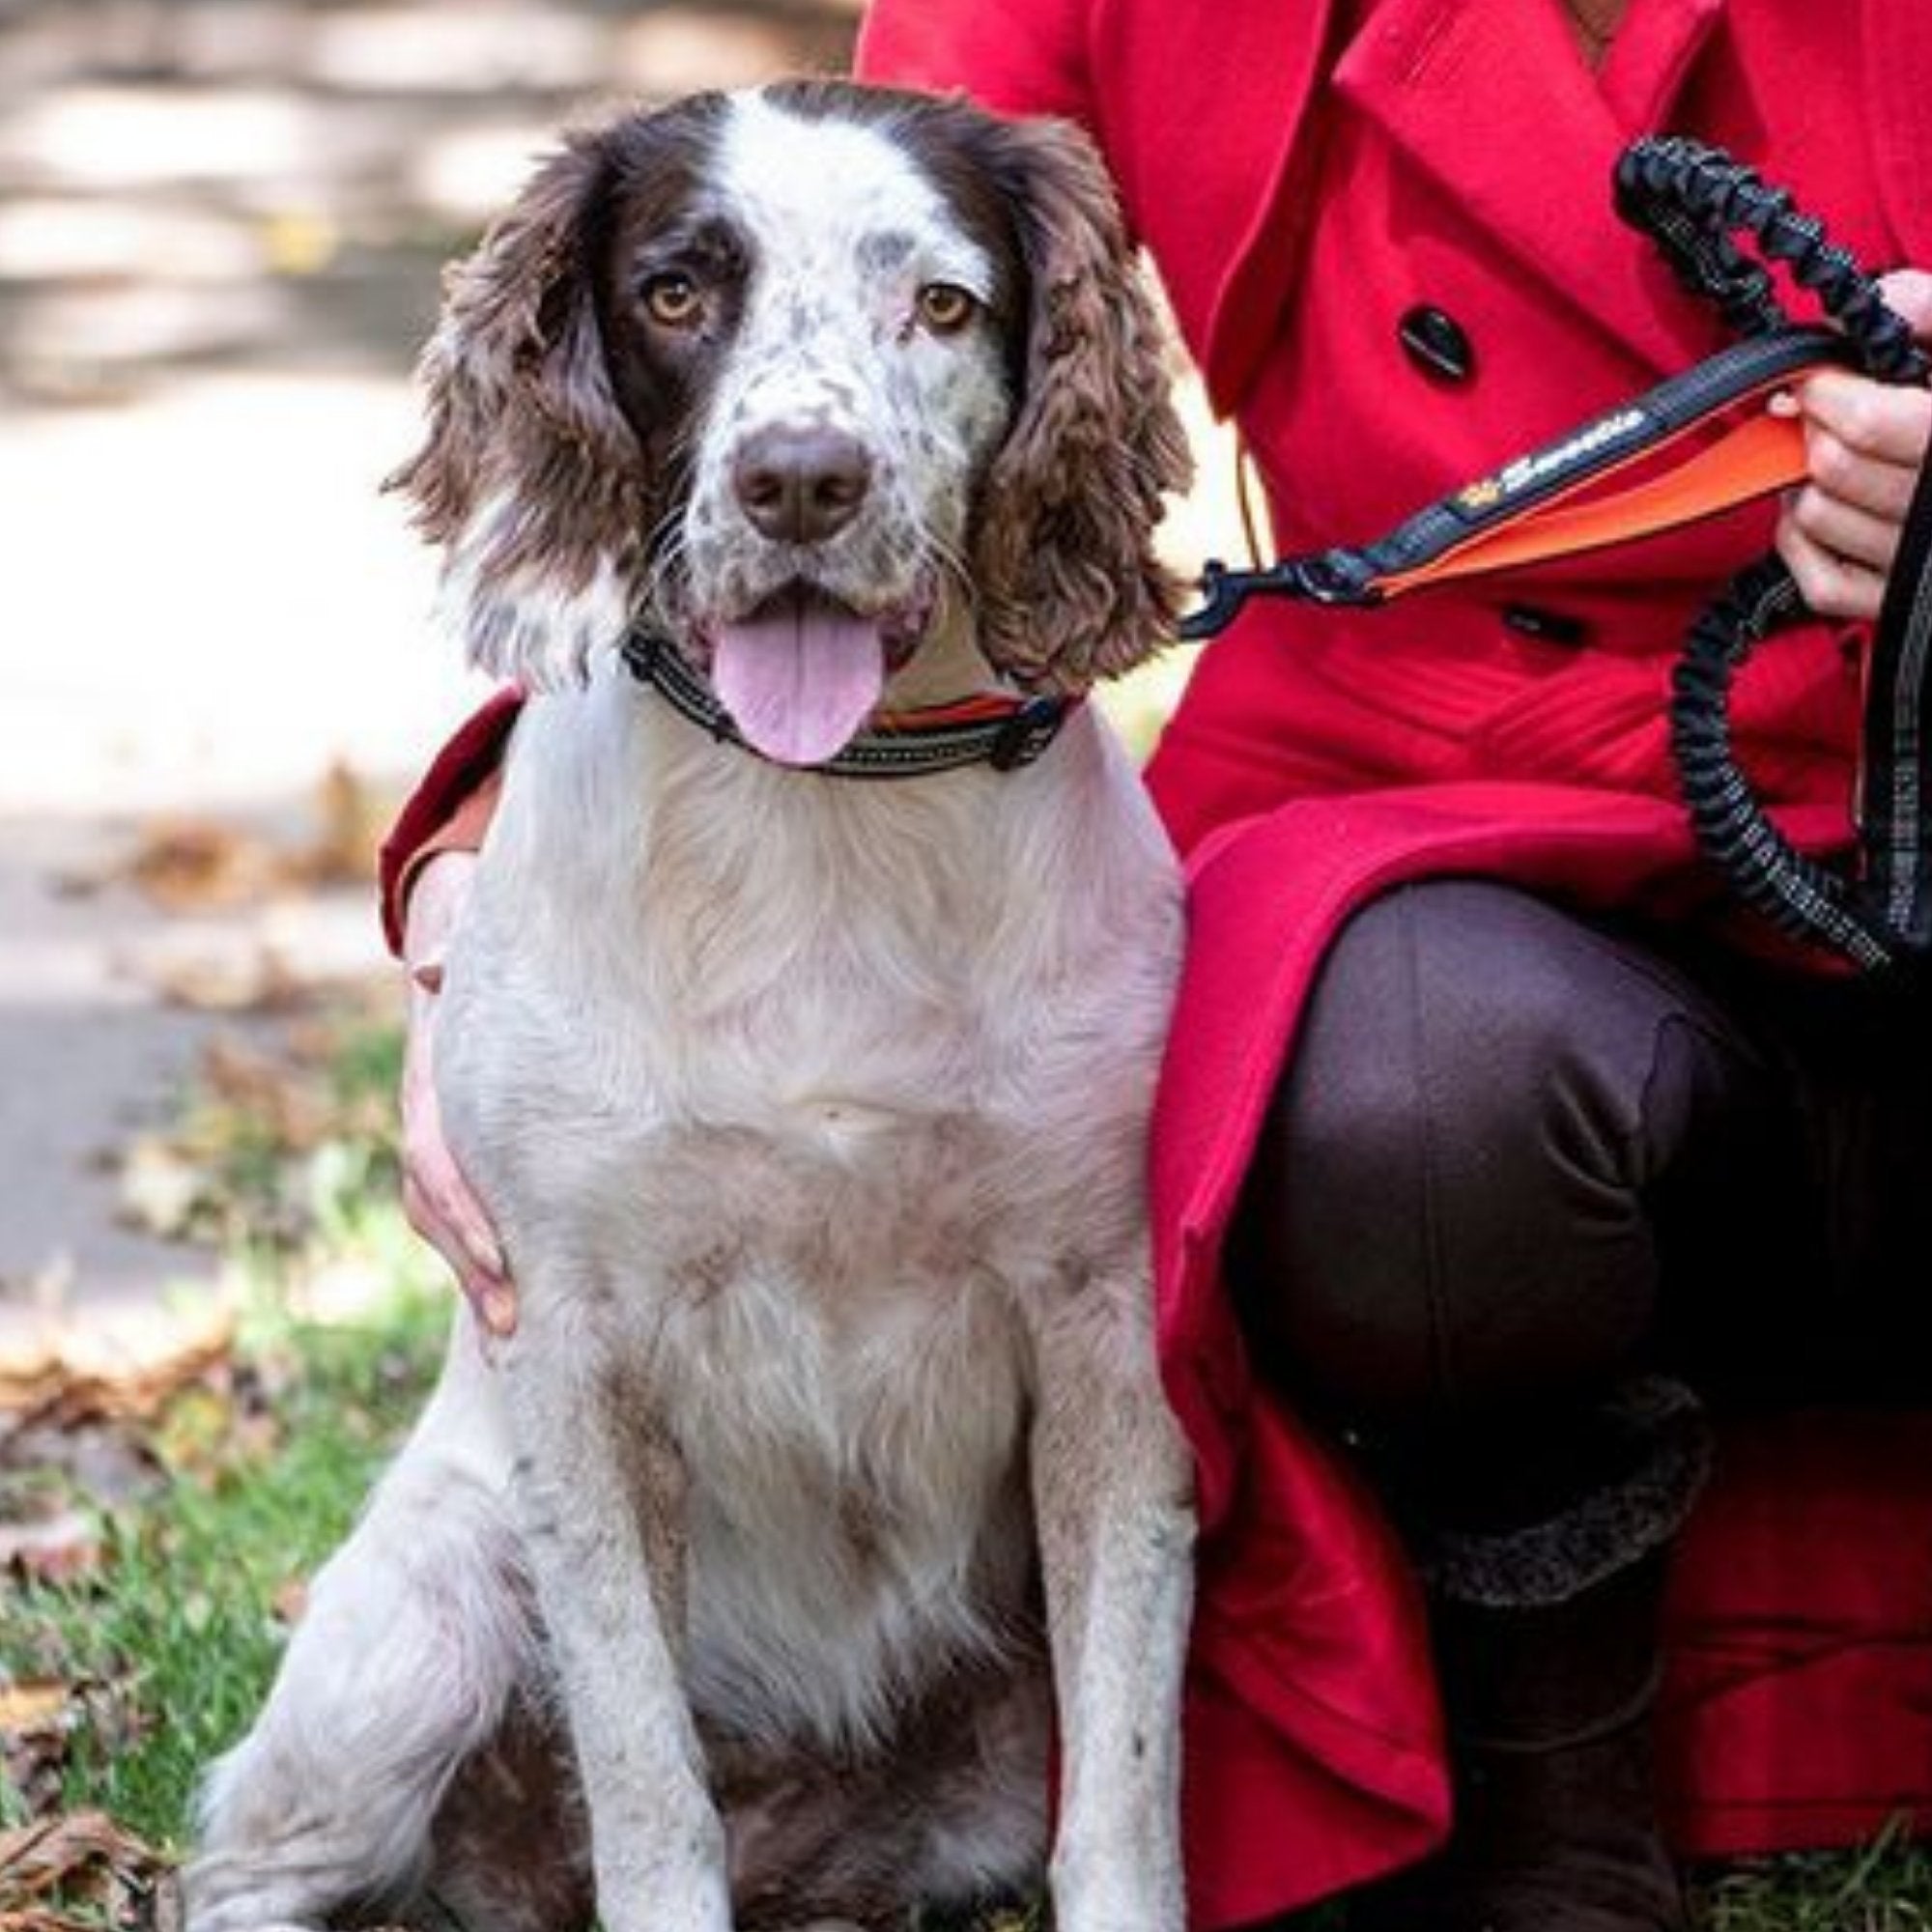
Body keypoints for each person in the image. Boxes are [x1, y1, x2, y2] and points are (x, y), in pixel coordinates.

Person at [380, 2, 1932, 1925]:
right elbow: (830, 279)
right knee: (1400, 1084)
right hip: (1434, 816)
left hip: (1884, 804)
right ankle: (1560, 1817)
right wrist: (473, 894)